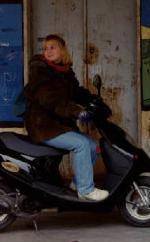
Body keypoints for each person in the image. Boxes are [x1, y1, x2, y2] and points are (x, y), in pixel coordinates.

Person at [23, 34, 109, 201]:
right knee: (82, 144)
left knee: (90, 144)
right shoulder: (41, 72)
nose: (48, 51)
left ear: (62, 50)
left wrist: (95, 101)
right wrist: (77, 112)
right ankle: (85, 190)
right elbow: (51, 100)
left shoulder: (64, 72)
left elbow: (76, 92)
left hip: (56, 125)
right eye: (45, 48)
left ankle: (78, 184)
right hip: (44, 127)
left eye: (52, 47)